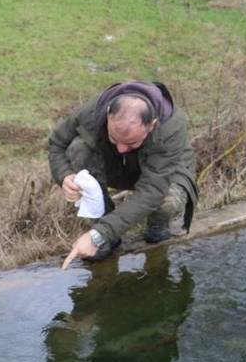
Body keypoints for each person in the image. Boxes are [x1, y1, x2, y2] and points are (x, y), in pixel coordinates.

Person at [49, 80, 198, 269]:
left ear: (152, 125)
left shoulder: (171, 126)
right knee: (79, 147)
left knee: (166, 203)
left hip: (165, 173)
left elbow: (152, 190)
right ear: (108, 114)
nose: (121, 149)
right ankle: (106, 231)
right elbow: (57, 144)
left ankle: (157, 223)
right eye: (114, 139)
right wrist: (65, 175)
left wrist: (98, 234)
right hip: (120, 168)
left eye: (131, 143)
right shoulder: (92, 111)